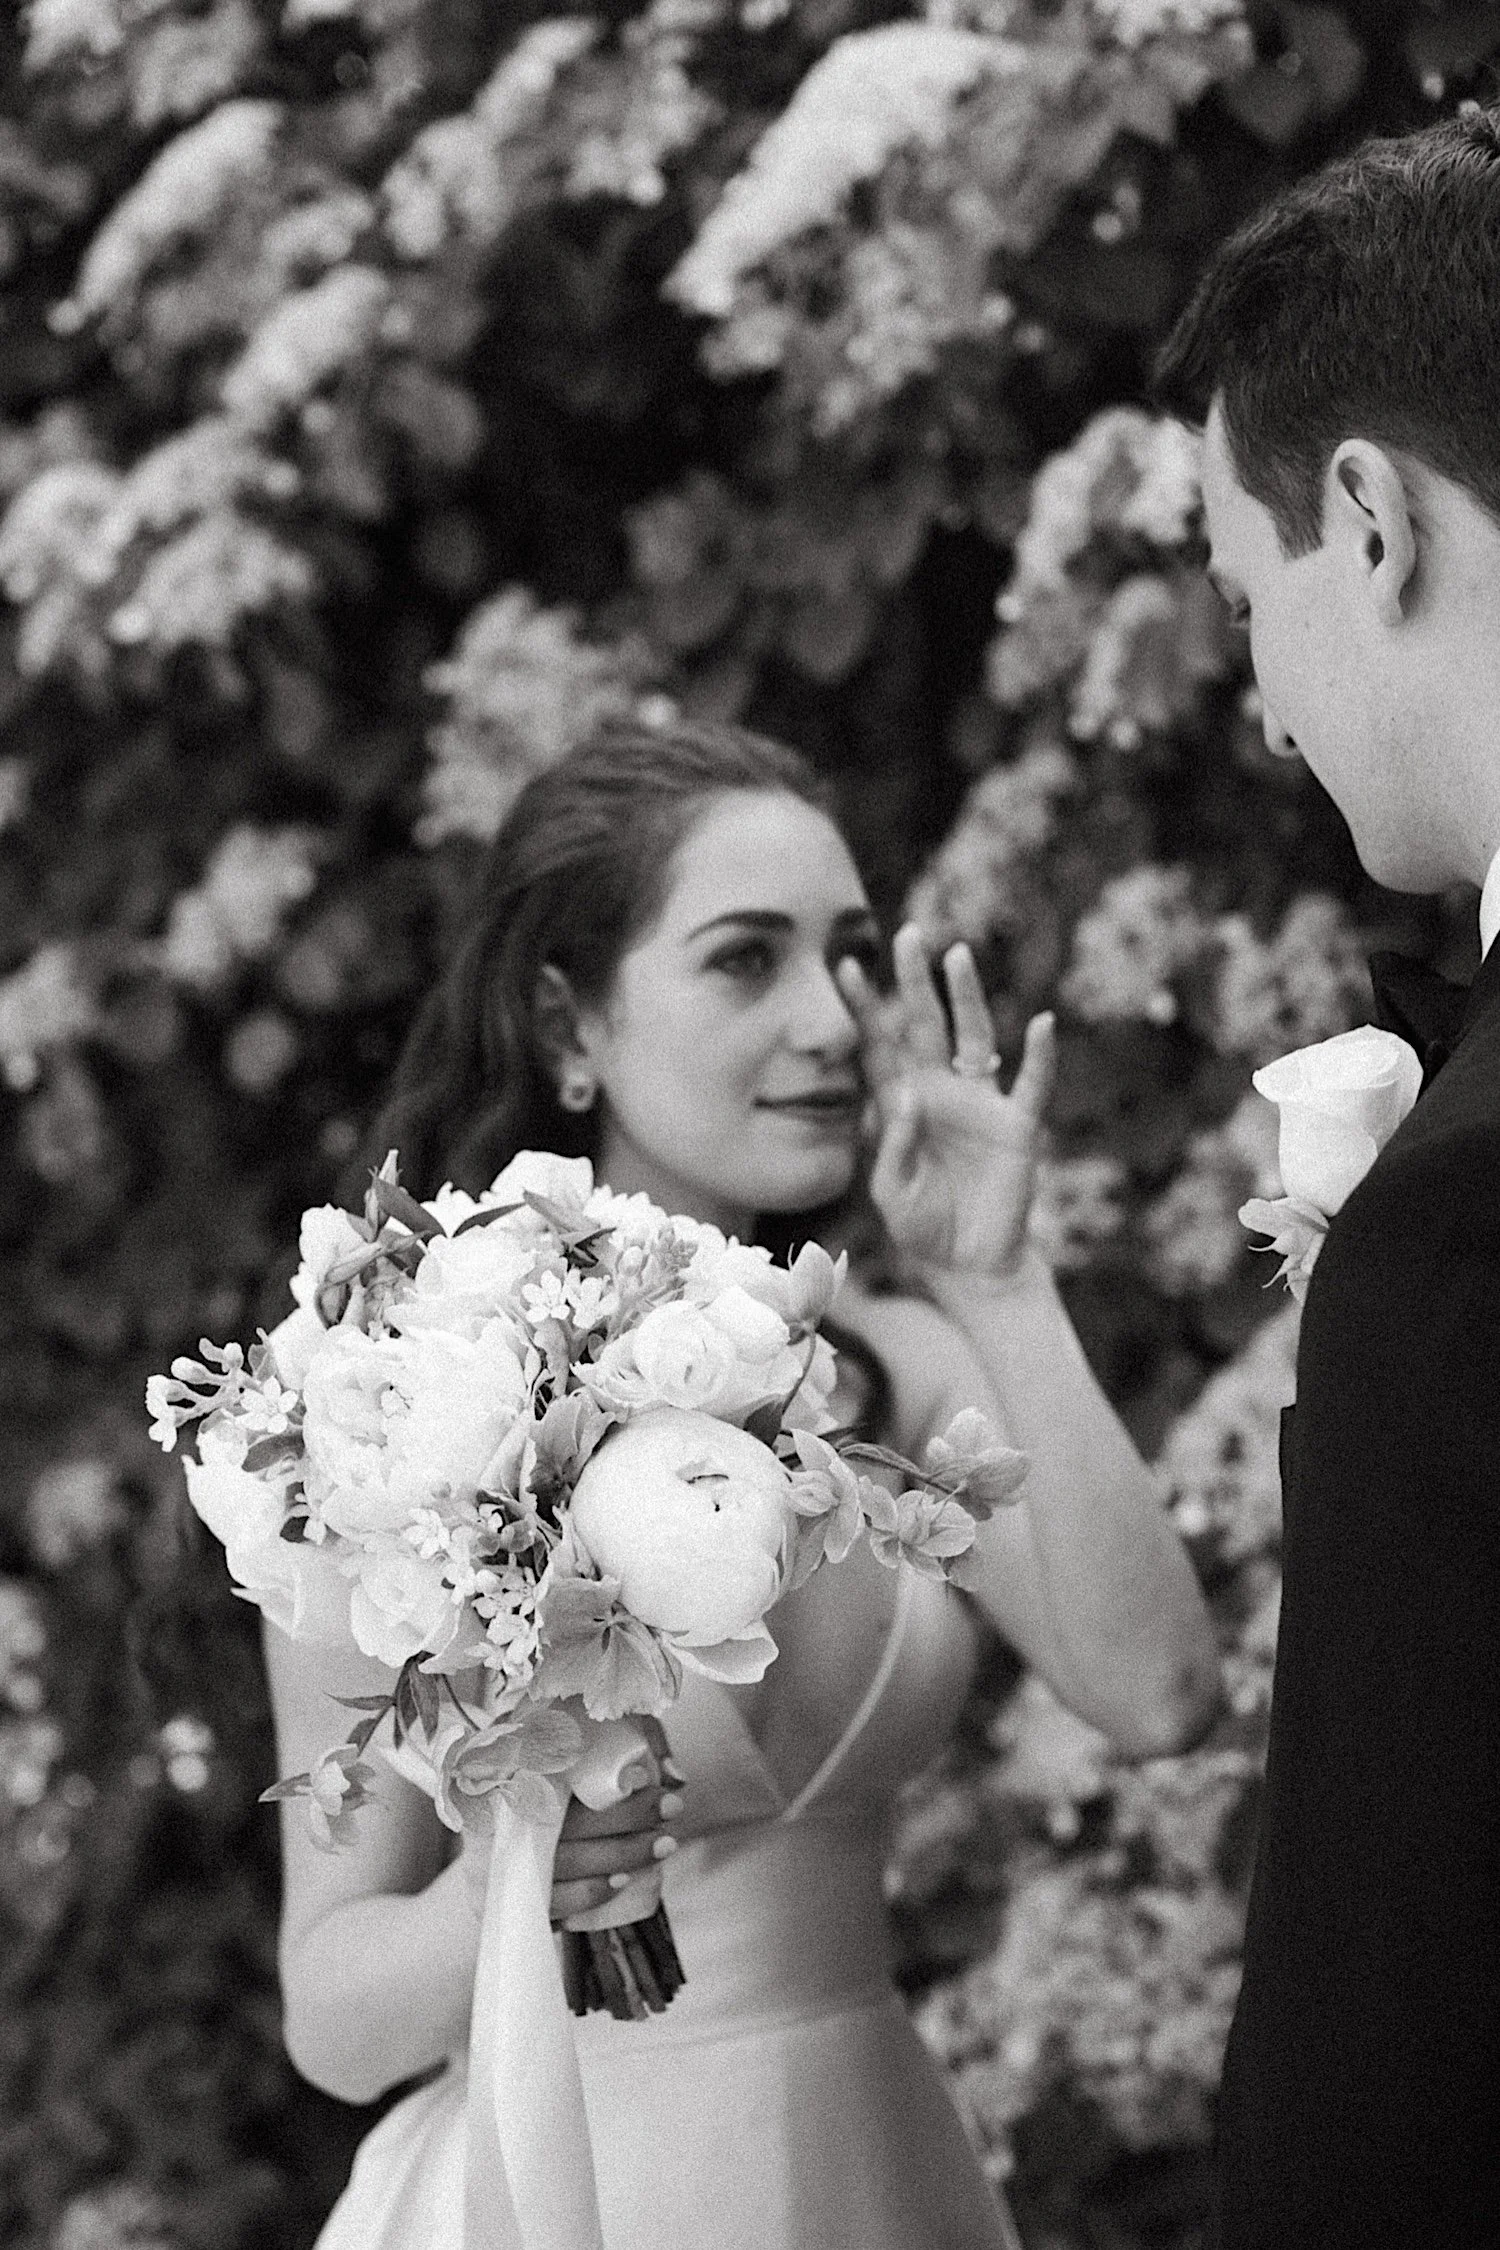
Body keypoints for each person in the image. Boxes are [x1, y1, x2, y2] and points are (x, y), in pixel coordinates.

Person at [263, 718, 1220, 2249]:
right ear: (570, 1022)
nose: (833, 1019)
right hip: (563, 2192)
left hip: (875, 2181)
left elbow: (1162, 1692)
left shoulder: (902, 1372)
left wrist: (1001, 1280)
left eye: (848, 956)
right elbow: (332, 2013)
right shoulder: (412, 1401)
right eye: (745, 959)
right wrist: (507, 1891)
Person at [1154, 103, 1500, 2250]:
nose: (1268, 713)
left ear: (1367, 521)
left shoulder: (1463, 1216)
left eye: (1244, 602)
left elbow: (1391, 2049)